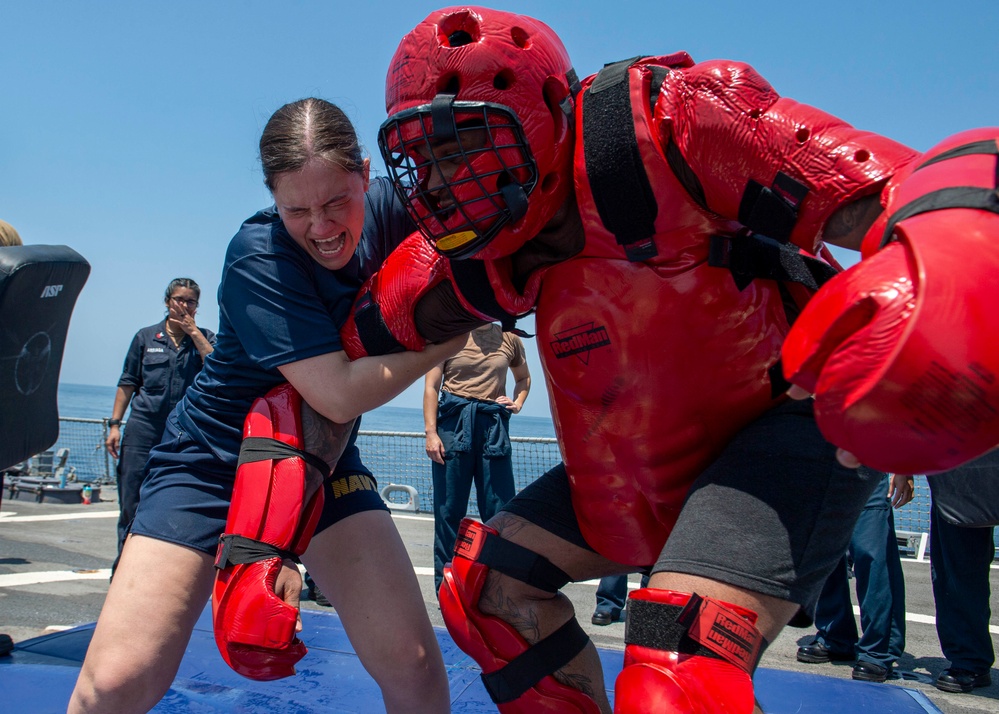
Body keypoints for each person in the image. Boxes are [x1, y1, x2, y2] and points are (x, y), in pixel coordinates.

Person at [341, 7, 999, 712]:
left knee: (677, 657)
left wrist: (951, 269)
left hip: (779, 427)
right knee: (488, 593)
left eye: (462, 146)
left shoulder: (669, 126)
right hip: (649, 452)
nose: (441, 185)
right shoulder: (491, 248)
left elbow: (905, 185)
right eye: (428, 158)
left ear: (548, 112)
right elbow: (347, 341)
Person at [68, 98, 461, 714]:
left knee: (415, 668)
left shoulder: (395, 209)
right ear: (271, 198)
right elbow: (335, 392)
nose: (323, 227)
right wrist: (451, 339)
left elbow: (492, 213)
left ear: (365, 173)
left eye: (337, 201)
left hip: (319, 457)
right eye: (297, 209)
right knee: (114, 683)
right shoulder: (257, 256)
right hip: (208, 461)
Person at [106, 278, 216, 567]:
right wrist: (115, 425)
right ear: (168, 301)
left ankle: (163, 567)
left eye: (190, 301)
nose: (184, 305)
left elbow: (218, 368)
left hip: (184, 432)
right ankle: (124, 566)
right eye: (179, 299)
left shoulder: (204, 337)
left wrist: (193, 332)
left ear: (197, 306)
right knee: (131, 500)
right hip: (143, 429)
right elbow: (128, 383)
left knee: (181, 501)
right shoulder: (145, 337)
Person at [423, 322, 531, 593]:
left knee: (500, 510)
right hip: (453, 425)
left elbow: (523, 378)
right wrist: (431, 433)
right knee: (449, 511)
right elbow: (431, 387)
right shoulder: (448, 333)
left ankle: (501, 583)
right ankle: (446, 586)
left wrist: (517, 403)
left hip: (493, 427)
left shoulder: (510, 339)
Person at [796, 472, 914, 682]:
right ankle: (835, 637)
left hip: (869, 465)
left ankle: (878, 650)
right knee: (823, 555)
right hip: (823, 467)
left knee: (873, 556)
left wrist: (904, 466)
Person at [927, 452, 997, 694]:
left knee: (959, 566)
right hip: (957, 460)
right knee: (956, 570)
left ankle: (970, 659)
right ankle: (969, 659)